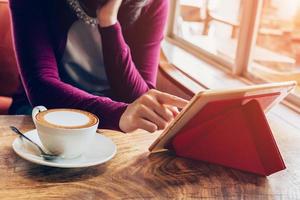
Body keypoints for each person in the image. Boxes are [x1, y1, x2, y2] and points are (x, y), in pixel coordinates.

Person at [8, 0, 188, 132]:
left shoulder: (153, 3)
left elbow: (139, 95)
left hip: (117, 116)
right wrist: (117, 114)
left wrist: (109, 22)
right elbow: (42, 86)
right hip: (44, 109)